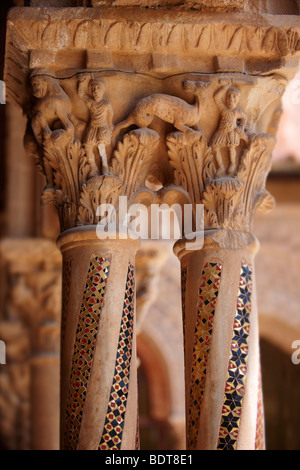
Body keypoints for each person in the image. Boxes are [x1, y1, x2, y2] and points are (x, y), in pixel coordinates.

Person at [78, 74, 114, 177]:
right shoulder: (91, 103)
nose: (95, 91)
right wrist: (82, 82)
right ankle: (93, 167)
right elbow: (81, 94)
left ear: (103, 90)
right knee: (87, 147)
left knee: (101, 147)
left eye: (98, 88)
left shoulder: (106, 103)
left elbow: (110, 114)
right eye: (93, 89)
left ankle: (105, 167)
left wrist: (110, 124)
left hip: (102, 127)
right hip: (92, 127)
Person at [210, 82, 248, 175]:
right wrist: (224, 87)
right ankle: (220, 167)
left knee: (231, 148)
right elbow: (216, 97)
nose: (230, 99)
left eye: (234, 97)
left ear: (238, 100)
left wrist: (241, 128)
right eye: (229, 97)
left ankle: (232, 164)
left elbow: (244, 118)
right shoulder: (223, 109)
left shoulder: (237, 111)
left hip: (231, 131)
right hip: (221, 131)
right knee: (214, 147)